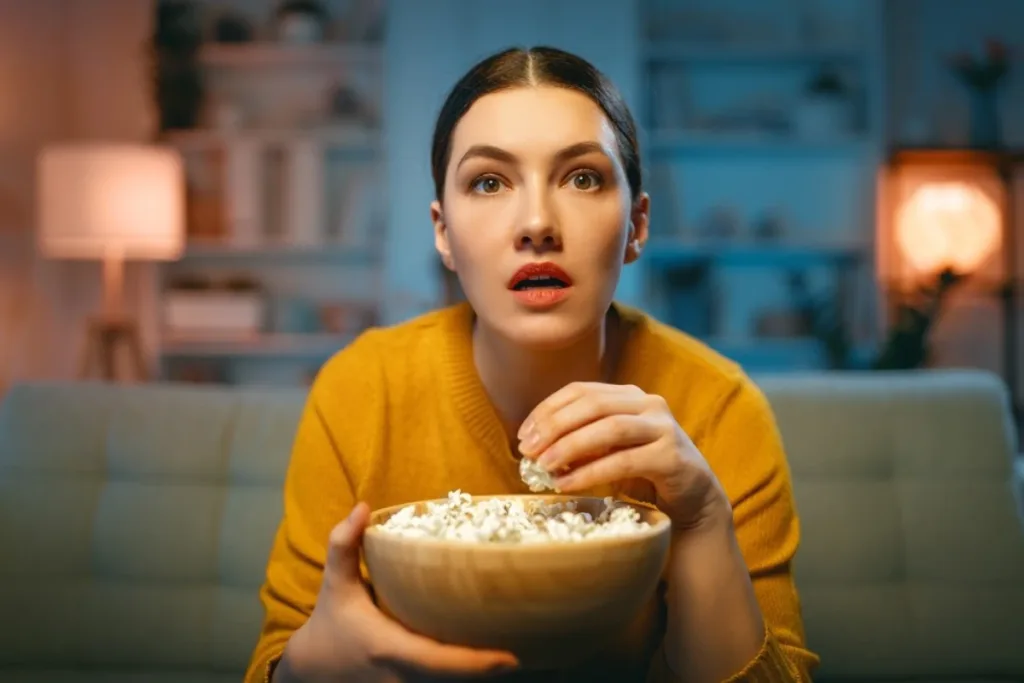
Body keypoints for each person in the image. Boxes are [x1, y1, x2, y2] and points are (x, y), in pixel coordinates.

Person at [244, 45, 819, 683]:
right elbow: (276, 660)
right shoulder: (360, 389)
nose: (538, 223)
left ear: (636, 226)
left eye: (582, 178)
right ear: (443, 233)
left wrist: (703, 518)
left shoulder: (719, 405)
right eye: (489, 182)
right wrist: (313, 664)